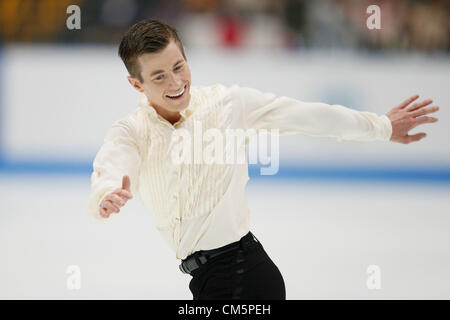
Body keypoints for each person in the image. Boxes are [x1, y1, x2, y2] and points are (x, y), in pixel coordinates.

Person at [88, 19, 439, 300]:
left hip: (242, 276)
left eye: (179, 66)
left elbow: (308, 116)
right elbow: (114, 163)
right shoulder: (132, 131)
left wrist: (381, 126)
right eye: (159, 76)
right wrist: (106, 192)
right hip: (208, 281)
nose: (176, 82)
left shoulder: (229, 104)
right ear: (136, 84)